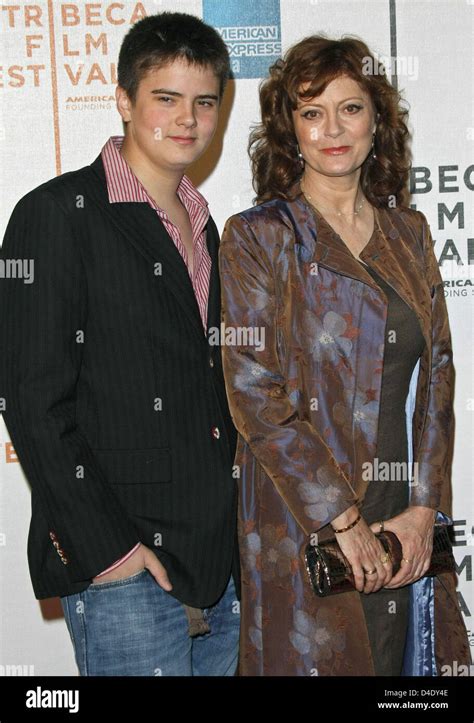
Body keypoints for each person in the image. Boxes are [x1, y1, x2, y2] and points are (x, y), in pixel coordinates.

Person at [219, 35, 471, 676]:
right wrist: (341, 517)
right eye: (311, 112)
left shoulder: (407, 233)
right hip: (304, 519)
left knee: (401, 671)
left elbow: (438, 373)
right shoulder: (259, 237)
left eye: (350, 109)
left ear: (376, 121)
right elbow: (254, 393)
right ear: (289, 129)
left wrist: (422, 508)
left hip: (404, 519)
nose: (332, 129)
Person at [0, 12, 240, 676]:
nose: (186, 118)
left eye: (204, 101)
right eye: (165, 98)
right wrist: (112, 553)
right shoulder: (56, 215)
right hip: (125, 574)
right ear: (125, 101)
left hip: (224, 570)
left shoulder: (207, 225)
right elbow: (30, 399)